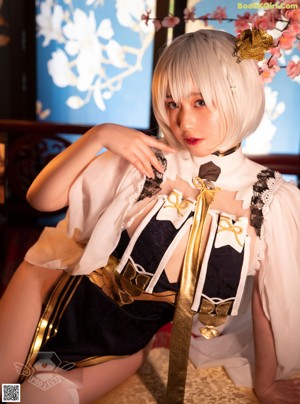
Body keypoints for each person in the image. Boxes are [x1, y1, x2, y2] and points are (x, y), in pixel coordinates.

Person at [0, 29, 300, 404]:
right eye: (172, 103)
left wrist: (266, 384)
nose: (184, 122)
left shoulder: (273, 202)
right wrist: (99, 135)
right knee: (3, 391)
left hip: (120, 349)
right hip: (48, 295)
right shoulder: (145, 159)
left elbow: (267, 306)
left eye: (201, 101)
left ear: (237, 94)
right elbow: (41, 200)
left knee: (34, 397)